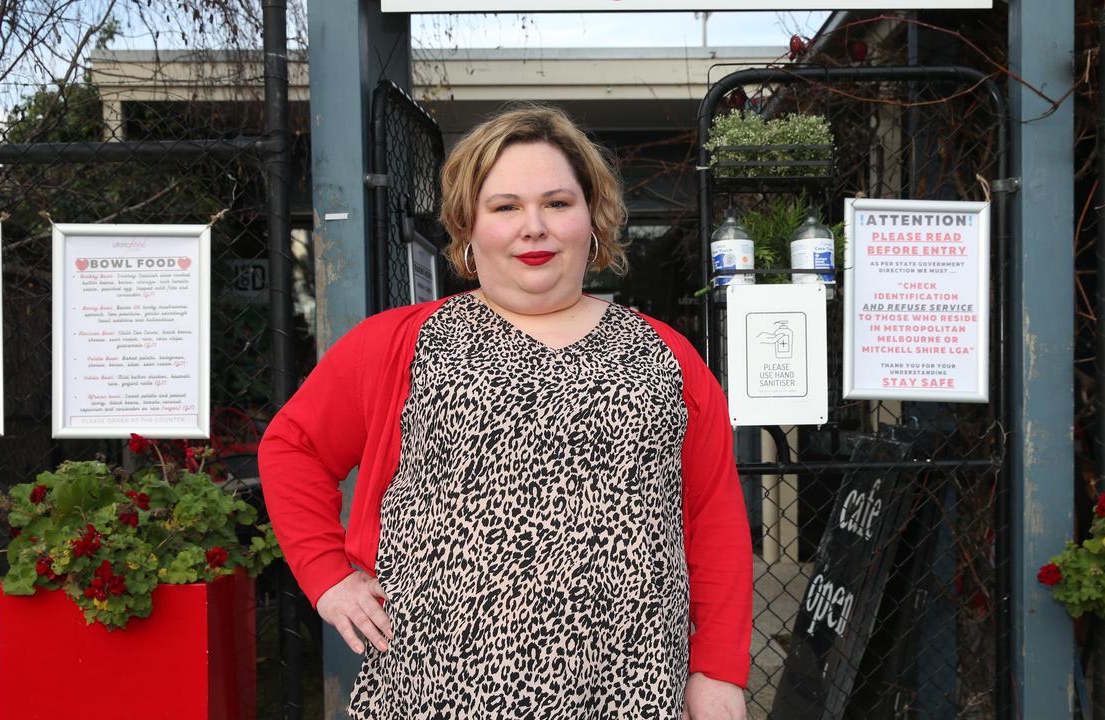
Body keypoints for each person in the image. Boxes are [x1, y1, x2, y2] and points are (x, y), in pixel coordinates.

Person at [259, 106, 753, 719]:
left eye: (557, 203)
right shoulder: (399, 345)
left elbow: (716, 521)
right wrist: (327, 577)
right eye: (505, 207)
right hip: (435, 693)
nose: (534, 227)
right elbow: (292, 448)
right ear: (468, 227)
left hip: (633, 692)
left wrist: (719, 673)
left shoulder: (666, 357)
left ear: (592, 218)